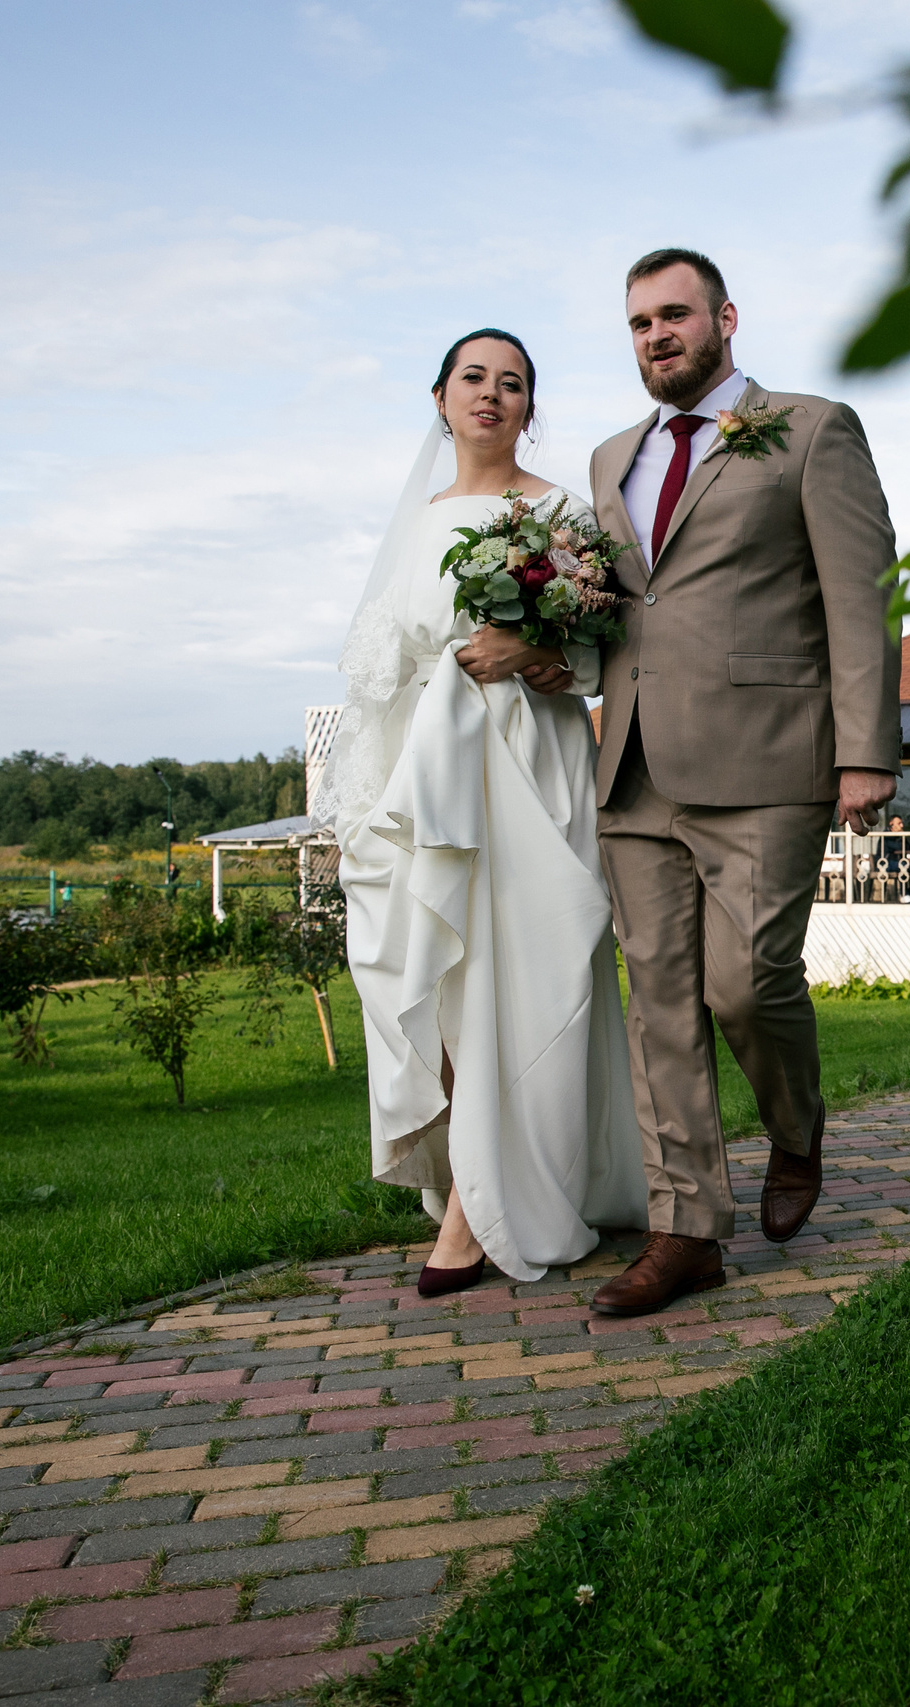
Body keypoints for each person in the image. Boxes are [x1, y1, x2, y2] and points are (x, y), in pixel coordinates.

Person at [468, 249, 900, 1316]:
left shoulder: (811, 429)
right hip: (632, 764)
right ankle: (686, 1232)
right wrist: (547, 651)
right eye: (638, 323)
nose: (656, 336)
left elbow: (860, 598)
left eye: (674, 315)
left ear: (725, 319)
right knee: (659, 1005)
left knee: (744, 984)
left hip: (770, 756)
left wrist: (865, 752)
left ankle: (795, 1127)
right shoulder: (613, 457)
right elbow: (620, 608)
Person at [326, 327, 646, 1298]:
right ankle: (475, 1169)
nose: (491, 395)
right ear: (440, 398)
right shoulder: (417, 522)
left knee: (529, 967)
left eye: (512, 383)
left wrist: (542, 656)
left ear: (528, 409)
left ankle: (476, 1213)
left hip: (532, 757)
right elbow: (380, 672)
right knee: (435, 973)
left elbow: (607, 653)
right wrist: (366, 802)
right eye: (474, 377)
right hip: (430, 769)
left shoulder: (563, 514)